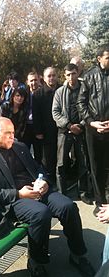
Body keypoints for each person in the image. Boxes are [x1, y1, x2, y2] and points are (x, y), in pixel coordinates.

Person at [0, 117, 95, 277]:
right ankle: (36, 261)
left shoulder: (19, 147)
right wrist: (19, 193)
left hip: (38, 190)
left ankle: (78, 255)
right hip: (14, 200)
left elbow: (39, 168)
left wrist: (44, 181)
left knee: (69, 207)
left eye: (13, 132)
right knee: (41, 214)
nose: (12, 136)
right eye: (8, 133)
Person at [52, 63, 93, 203]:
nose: (71, 77)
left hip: (81, 131)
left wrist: (80, 125)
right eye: (68, 74)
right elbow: (55, 112)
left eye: (74, 73)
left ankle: (83, 193)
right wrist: (69, 125)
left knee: (83, 162)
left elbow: (90, 109)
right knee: (61, 164)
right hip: (64, 132)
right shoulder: (59, 92)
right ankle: (62, 194)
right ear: (64, 75)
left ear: (78, 73)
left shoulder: (84, 90)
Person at [77, 45, 109, 217]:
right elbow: (81, 103)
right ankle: (100, 201)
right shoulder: (89, 76)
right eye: (108, 57)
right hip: (94, 130)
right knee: (95, 167)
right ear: (99, 59)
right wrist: (91, 122)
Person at [33, 67, 60, 187]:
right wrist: (38, 131)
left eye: (54, 75)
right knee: (48, 159)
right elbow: (36, 114)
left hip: (61, 130)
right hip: (46, 131)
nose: (52, 78)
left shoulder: (62, 90)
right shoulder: (38, 94)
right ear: (43, 78)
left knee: (60, 157)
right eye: (49, 76)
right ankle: (49, 182)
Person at [22, 71, 43, 164]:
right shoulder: (23, 94)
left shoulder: (43, 93)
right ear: (27, 82)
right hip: (26, 127)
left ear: (39, 80)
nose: (33, 83)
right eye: (31, 80)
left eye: (35, 80)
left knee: (39, 153)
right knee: (25, 152)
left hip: (38, 127)